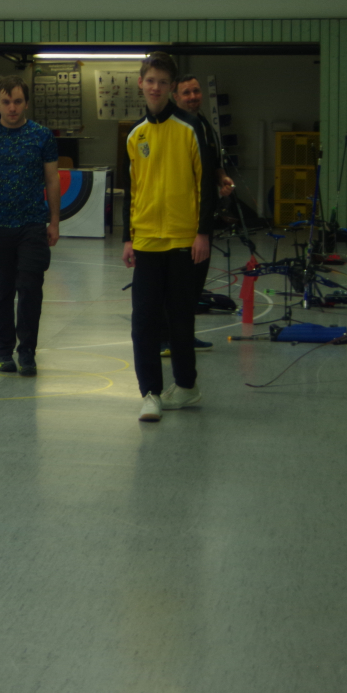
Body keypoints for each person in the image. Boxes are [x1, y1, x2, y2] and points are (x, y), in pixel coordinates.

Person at [122, 52, 218, 422]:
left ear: (171, 87)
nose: (156, 87)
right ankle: (150, 393)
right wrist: (128, 238)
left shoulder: (191, 127)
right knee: (144, 321)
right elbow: (132, 189)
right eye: (151, 81)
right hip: (146, 241)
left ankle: (187, 386)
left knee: (180, 319)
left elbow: (205, 184)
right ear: (141, 83)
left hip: (184, 241)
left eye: (163, 82)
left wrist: (202, 232)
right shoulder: (135, 134)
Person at [0, 74, 60, 378]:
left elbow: (52, 179)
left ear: (26, 103)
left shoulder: (42, 136)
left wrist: (54, 221)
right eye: (6, 102)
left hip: (33, 225)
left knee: (30, 289)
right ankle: (3, 351)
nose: (12, 108)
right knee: (3, 290)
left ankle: (27, 352)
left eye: (17, 101)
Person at [165, 74, 233, 352]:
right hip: (180, 217)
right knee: (176, 283)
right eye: (186, 93)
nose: (193, 96)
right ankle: (167, 338)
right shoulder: (173, 127)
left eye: (196, 91)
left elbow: (213, 164)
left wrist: (222, 178)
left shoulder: (203, 124)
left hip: (204, 214)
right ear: (175, 97)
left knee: (195, 281)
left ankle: (185, 336)